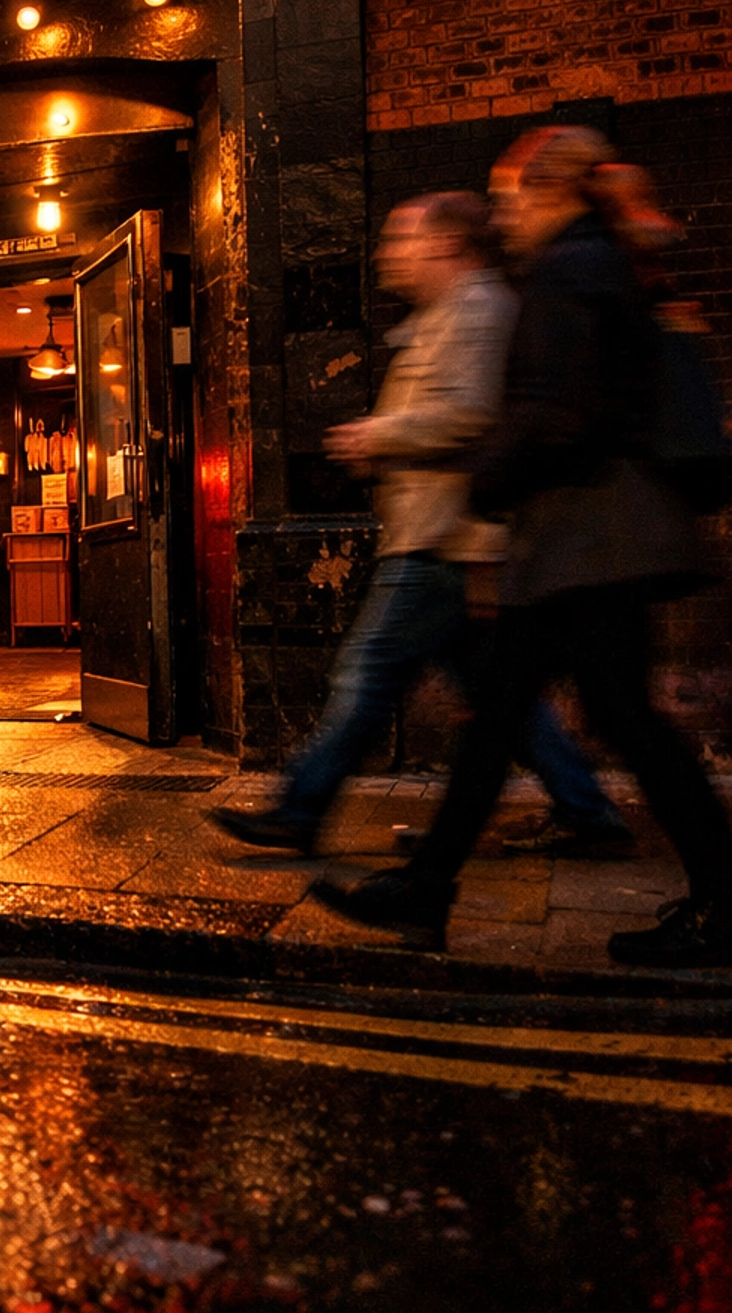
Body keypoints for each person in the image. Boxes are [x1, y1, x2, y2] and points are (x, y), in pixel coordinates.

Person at [316, 125, 732, 964]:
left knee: (591, 716)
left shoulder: (569, 269)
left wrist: (486, 482)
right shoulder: (597, 262)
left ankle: (720, 904)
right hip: (593, 535)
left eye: (506, 200)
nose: (501, 219)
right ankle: (429, 886)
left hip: (589, 535)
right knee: (517, 709)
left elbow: (556, 413)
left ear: (547, 192)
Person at [215, 192, 626, 859]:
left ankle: (300, 809)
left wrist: (380, 435)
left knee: (366, 671)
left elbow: (472, 413)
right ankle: (588, 811)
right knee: (500, 692)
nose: (387, 255)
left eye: (400, 239)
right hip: (443, 537)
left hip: (442, 538)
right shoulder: (450, 313)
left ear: (444, 243)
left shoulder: (477, 309)